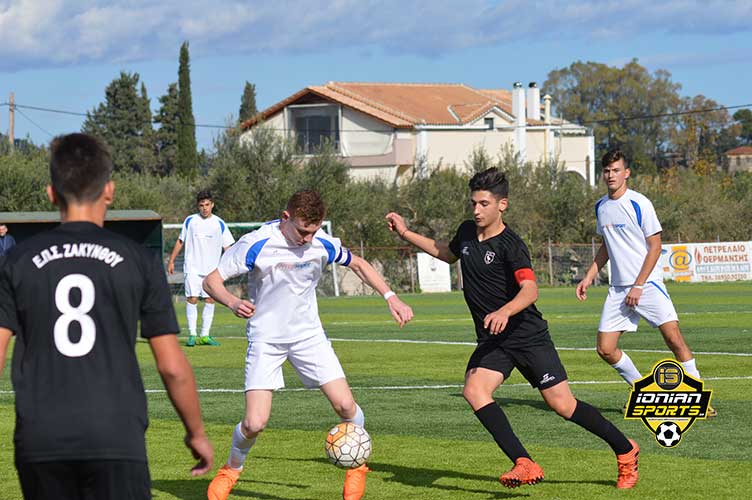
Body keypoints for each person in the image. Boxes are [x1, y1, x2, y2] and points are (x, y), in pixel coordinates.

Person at [385, 167, 639, 490]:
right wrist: (406, 233)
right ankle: (524, 462)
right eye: (474, 203)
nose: (477, 210)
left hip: (527, 335)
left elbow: (530, 290)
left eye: (484, 204)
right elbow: (447, 253)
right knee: (474, 390)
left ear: (502, 205)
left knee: (563, 405)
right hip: (495, 340)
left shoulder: (511, 245)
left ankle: (625, 450)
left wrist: (504, 311)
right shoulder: (467, 232)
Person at [0, 133, 213, 500]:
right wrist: (196, 432)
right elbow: (172, 366)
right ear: (110, 191)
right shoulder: (138, 260)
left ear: (51, 193)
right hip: (116, 433)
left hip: (41, 436)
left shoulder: (17, 261)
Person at [202, 190, 413, 500]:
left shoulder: (320, 242)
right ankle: (231, 469)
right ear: (286, 218)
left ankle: (357, 467)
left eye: (314, 231)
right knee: (255, 423)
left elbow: (358, 264)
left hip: (309, 337)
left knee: (346, 406)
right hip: (266, 339)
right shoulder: (256, 243)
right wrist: (232, 302)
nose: (307, 238)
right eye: (303, 231)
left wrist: (391, 297)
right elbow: (211, 281)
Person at [575, 149, 716, 417]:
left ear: (626, 173)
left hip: (647, 285)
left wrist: (639, 285)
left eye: (616, 170)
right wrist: (589, 275)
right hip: (618, 289)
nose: (611, 175)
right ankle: (643, 391)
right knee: (605, 349)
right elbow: (607, 245)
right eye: (607, 171)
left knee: (674, 338)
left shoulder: (640, 203)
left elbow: (655, 246)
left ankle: (698, 398)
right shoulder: (601, 206)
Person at [168, 190, 235, 347]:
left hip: (212, 270)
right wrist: (171, 261)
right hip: (192, 267)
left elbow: (228, 247)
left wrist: (231, 267)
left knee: (210, 299)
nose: (204, 208)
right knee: (192, 298)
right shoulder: (190, 221)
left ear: (212, 205)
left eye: (207, 205)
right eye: (201, 205)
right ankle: (192, 334)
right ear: (198, 206)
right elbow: (180, 241)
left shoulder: (219, 223)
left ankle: (205, 335)